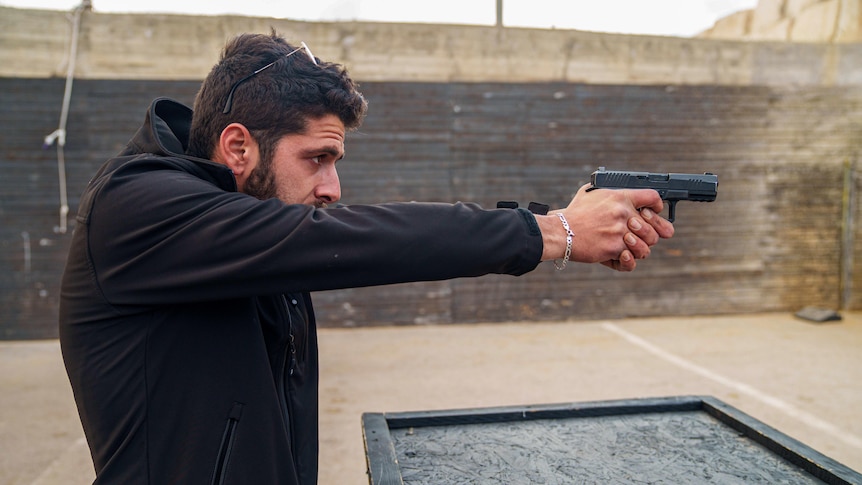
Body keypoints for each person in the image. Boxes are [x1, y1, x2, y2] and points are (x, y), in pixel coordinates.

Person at [59, 31, 673, 484]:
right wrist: (553, 231)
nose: (332, 188)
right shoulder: (136, 207)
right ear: (238, 146)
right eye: (317, 158)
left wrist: (569, 220)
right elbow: (363, 238)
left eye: (335, 162)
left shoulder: (246, 225)